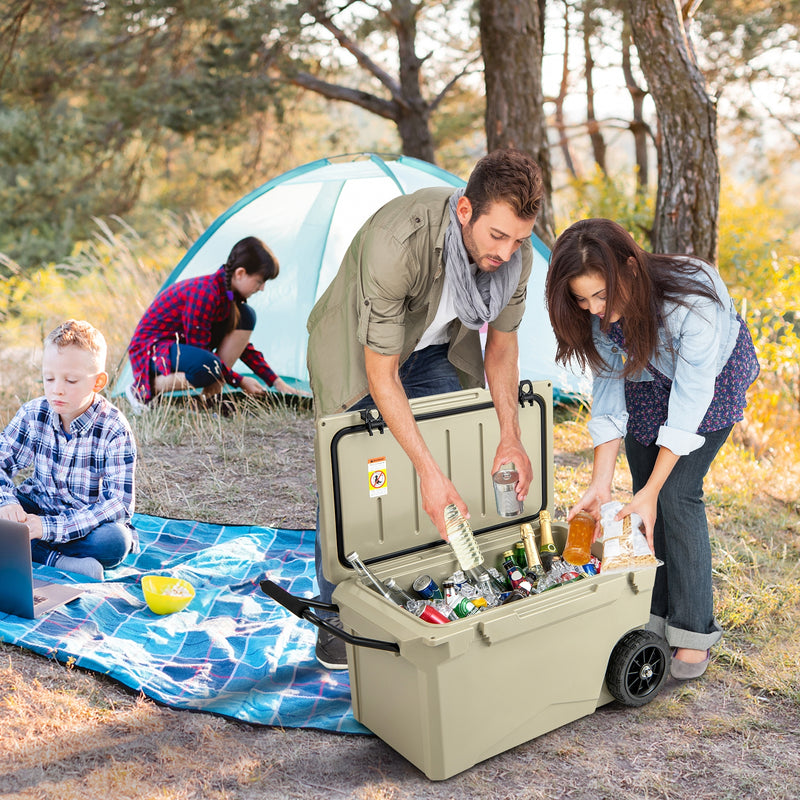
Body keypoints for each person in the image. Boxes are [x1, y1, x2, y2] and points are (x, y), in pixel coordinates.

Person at [306, 148, 544, 669]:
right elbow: (381, 373)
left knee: (443, 462)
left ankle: (425, 593)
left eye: (520, 239)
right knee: (353, 478)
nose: (506, 252)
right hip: (358, 351)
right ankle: (334, 618)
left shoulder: (515, 258)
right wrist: (426, 473)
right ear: (465, 211)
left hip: (436, 348)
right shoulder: (400, 243)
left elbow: (502, 345)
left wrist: (511, 434)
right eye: (496, 236)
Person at [545, 218, 759, 681]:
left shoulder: (692, 303)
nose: (595, 310)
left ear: (629, 268)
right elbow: (607, 391)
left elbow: (687, 403)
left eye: (602, 295)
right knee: (644, 495)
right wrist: (600, 482)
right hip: (646, 378)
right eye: (582, 300)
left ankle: (692, 631)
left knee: (674, 494)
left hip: (709, 383)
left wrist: (655, 488)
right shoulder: (599, 316)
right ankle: (654, 615)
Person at [0, 320, 138, 581]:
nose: (57, 389)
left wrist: (48, 528)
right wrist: (7, 502)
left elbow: (118, 504)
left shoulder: (114, 428)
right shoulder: (34, 413)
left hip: (86, 525)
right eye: (48, 378)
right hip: (38, 507)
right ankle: (57, 560)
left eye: (71, 380)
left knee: (115, 541)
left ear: (97, 382)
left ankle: (31, 549)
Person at [126, 236, 307, 410]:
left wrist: (276, 382)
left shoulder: (229, 298)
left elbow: (241, 346)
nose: (261, 289)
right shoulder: (205, 294)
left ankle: (208, 399)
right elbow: (202, 357)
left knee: (246, 316)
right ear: (240, 273)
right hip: (153, 350)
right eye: (259, 281)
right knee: (208, 366)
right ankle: (143, 389)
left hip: (179, 349)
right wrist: (239, 380)